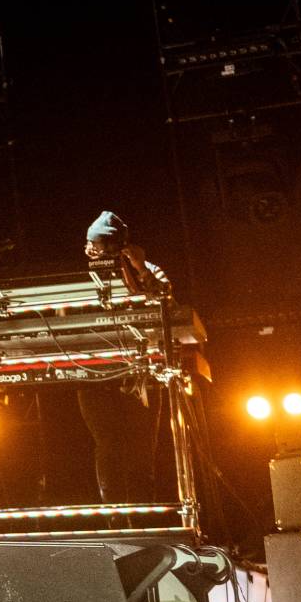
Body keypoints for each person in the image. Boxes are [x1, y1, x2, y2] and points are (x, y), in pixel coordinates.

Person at [74, 210, 166, 505]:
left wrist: (140, 269)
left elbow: (168, 305)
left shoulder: (147, 270)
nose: (94, 252)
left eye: (101, 246)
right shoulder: (77, 278)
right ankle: (113, 513)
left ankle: (145, 512)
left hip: (141, 374)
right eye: (91, 246)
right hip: (96, 374)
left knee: (142, 448)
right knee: (107, 445)